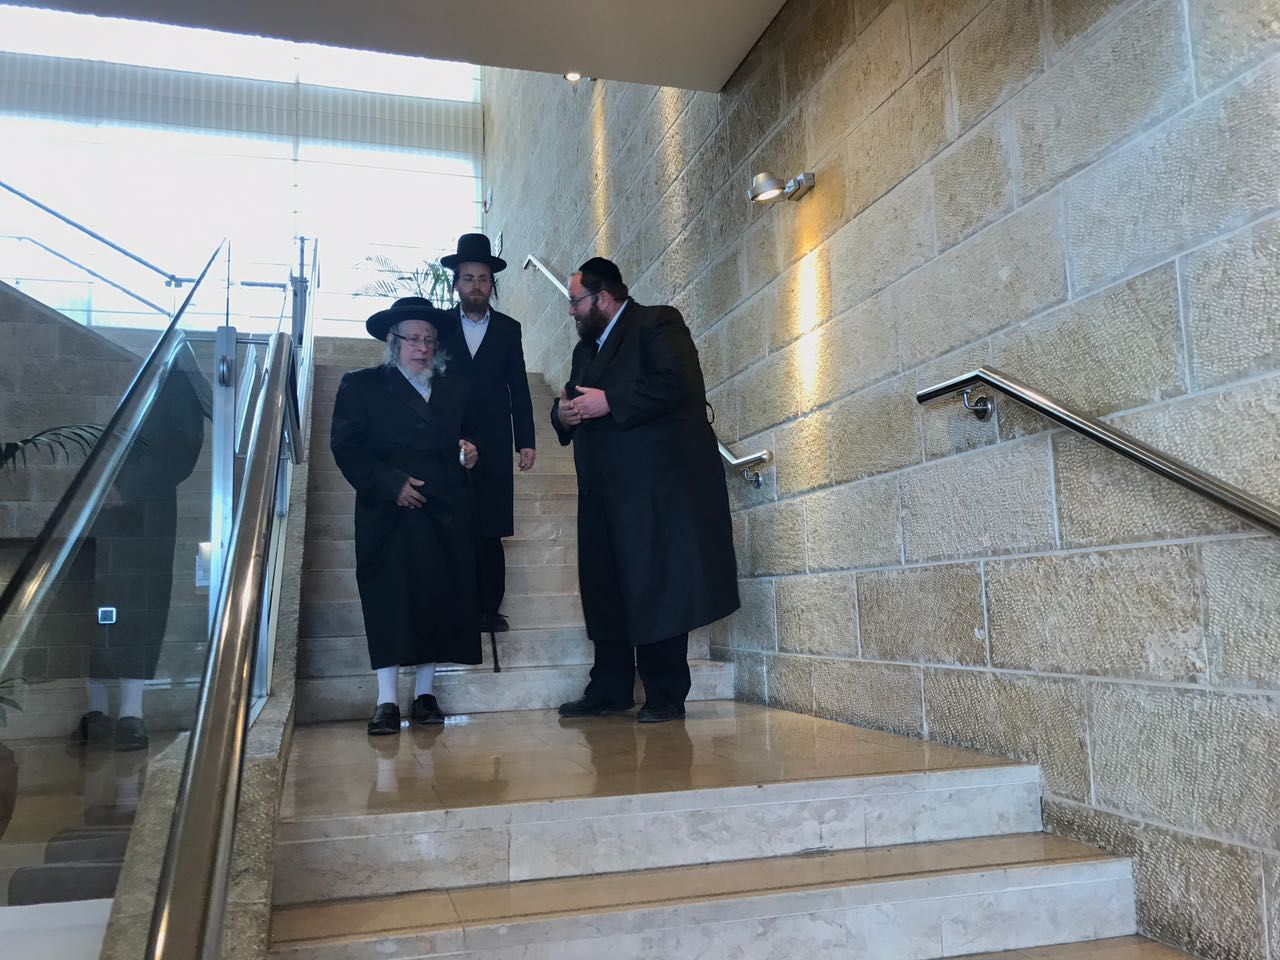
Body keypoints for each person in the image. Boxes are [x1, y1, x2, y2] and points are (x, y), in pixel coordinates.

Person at [551, 258, 739, 723]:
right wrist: (563, 415)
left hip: (653, 492)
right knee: (606, 590)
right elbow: (572, 401)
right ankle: (610, 688)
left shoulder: (657, 323)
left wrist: (609, 401)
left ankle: (665, 694)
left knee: (657, 587)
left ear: (603, 297)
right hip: (600, 494)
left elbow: (679, 384)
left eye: (576, 301)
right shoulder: (585, 350)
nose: (571, 311)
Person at [330, 298, 482, 736]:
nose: (422, 347)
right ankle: (386, 701)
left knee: (435, 598)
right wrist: (390, 483)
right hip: (387, 511)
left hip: (442, 509)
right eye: (413, 339)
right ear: (392, 341)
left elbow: (467, 439)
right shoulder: (361, 385)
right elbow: (346, 446)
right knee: (389, 600)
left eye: (429, 339)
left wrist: (470, 453)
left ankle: (425, 695)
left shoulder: (453, 388)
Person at [69, 350, 209, 752]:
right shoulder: (116, 365)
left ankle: (132, 712)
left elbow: (183, 448)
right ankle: (96, 709)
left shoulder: (176, 379)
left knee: (139, 607)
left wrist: (128, 489)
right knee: (89, 604)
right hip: (97, 511)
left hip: (145, 513)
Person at [439, 233, 536, 632]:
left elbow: (519, 386)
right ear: (456, 283)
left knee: (491, 527)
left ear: (492, 284)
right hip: (448, 437)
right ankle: (457, 606)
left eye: (483, 278)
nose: (476, 285)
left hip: (495, 441)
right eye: (468, 278)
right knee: (453, 524)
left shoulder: (509, 329)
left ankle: (489, 609)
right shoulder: (439, 326)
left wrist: (525, 440)